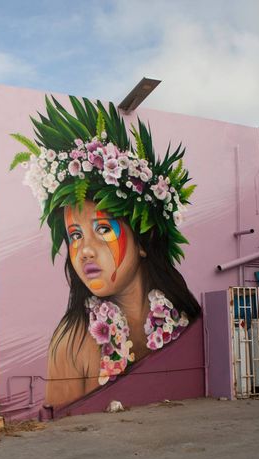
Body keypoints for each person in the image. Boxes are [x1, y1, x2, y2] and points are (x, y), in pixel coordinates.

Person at [11, 96, 201, 407]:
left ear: (143, 240)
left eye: (103, 229)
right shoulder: (71, 343)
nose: (84, 250)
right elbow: (63, 434)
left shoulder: (186, 320)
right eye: (75, 235)